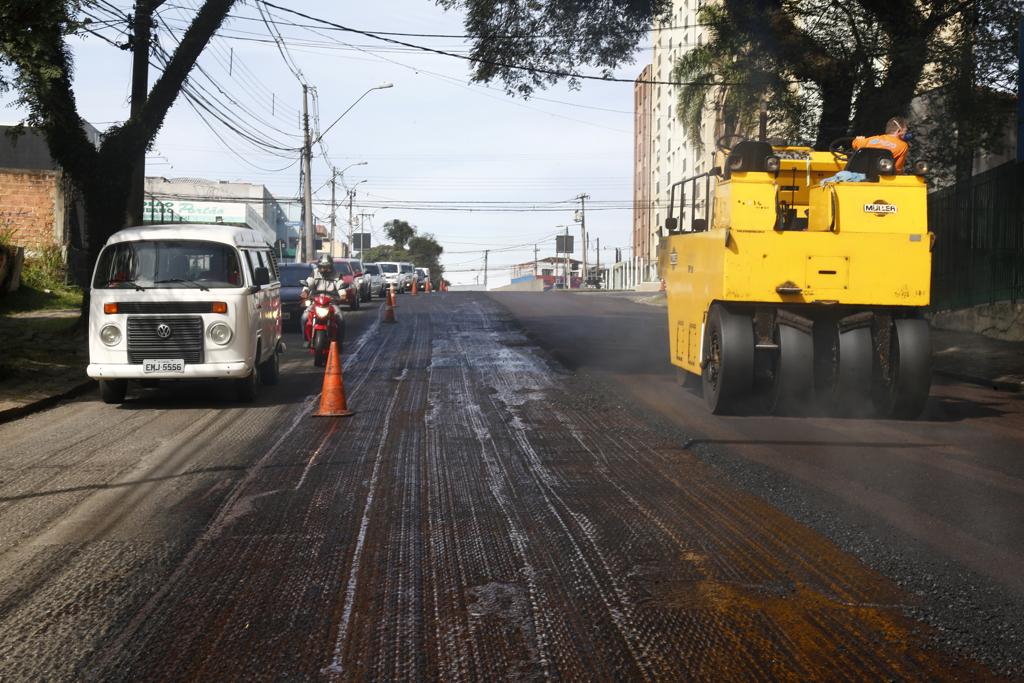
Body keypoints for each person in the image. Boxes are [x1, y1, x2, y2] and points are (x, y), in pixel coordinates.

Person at [300, 255, 346, 346]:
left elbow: (341, 287)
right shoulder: (315, 273)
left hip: (331, 302)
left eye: (327, 267)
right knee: (304, 317)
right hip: (315, 302)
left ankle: (340, 342)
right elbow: (308, 283)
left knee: (341, 318)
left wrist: (343, 295)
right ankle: (306, 339)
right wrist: (305, 292)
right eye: (322, 267)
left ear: (331, 266)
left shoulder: (337, 275)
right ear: (319, 266)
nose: (324, 269)